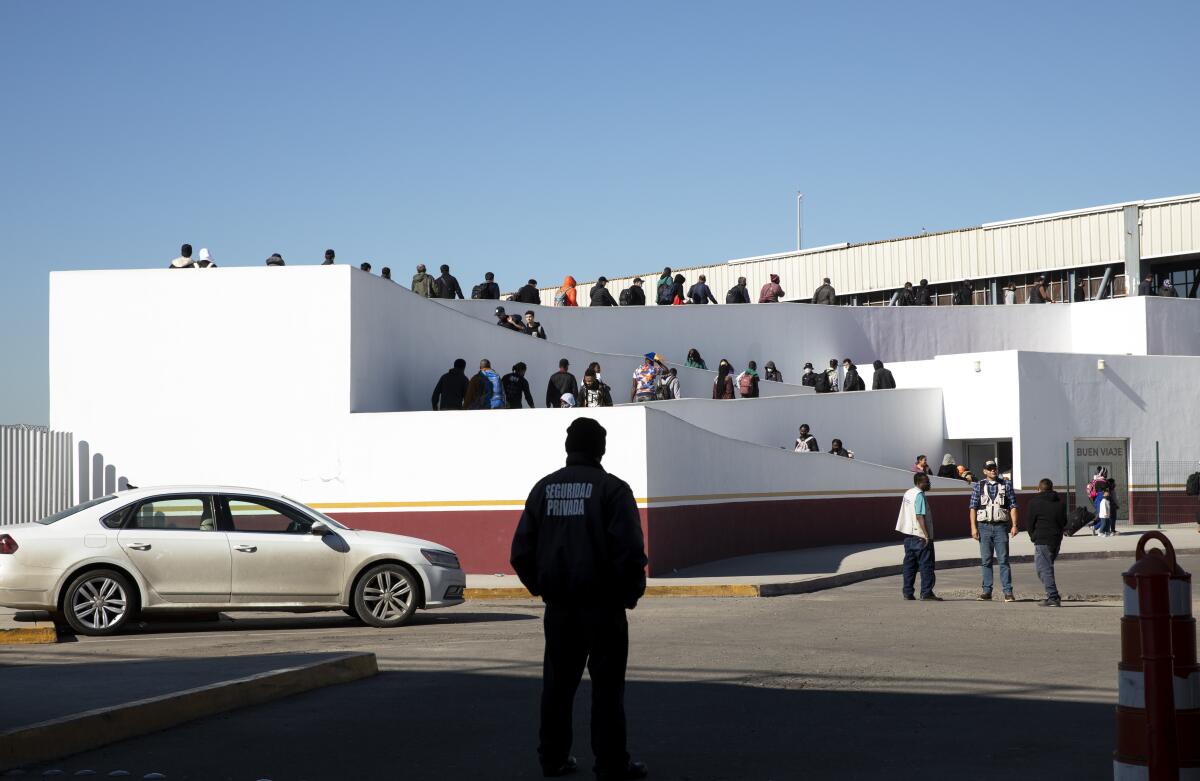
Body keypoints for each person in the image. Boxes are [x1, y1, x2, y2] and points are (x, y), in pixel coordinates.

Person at [509, 417, 648, 781]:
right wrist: (628, 595)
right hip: (604, 609)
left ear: (568, 448)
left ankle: (552, 758)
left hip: (560, 609)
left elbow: (521, 551)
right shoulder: (612, 490)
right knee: (607, 691)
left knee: (557, 687)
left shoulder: (543, 489)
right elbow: (630, 551)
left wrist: (542, 588)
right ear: (601, 449)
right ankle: (611, 764)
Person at [970, 459, 1018, 602]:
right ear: (984, 471)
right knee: (986, 561)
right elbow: (972, 508)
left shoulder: (1006, 484)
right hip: (983, 527)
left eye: (994, 468)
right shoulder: (978, 486)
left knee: (1003, 560)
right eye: (989, 468)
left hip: (1001, 527)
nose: (993, 470)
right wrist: (973, 527)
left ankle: (1008, 592)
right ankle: (986, 591)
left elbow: (1013, 506)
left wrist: (1014, 525)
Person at [896, 472, 940, 601]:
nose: (929, 484)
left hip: (908, 536)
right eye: (927, 481)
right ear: (920, 482)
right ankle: (926, 592)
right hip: (920, 536)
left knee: (909, 565)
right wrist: (926, 535)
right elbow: (920, 515)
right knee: (926, 565)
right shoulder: (919, 495)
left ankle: (907, 592)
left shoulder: (908, 493)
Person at [1026, 478, 1067, 607]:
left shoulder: (1034, 502)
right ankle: (1052, 594)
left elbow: (1029, 522)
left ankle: (1053, 596)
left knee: (1043, 569)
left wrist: (1033, 536)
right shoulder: (1060, 503)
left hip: (1042, 539)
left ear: (1039, 489)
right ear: (1051, 488)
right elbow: (1063, 522)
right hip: (1055, 539)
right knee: (1046, 567)